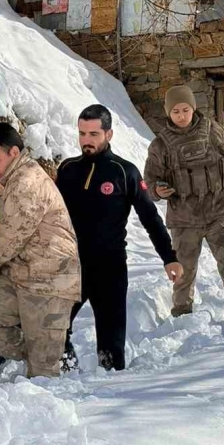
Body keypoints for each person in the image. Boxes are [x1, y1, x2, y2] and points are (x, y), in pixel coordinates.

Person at [56, 104, 183, 371]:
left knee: (111, 346)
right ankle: (67, 377)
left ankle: (112, 385)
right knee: (54, 328)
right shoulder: (67, 169)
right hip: (71, 266)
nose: (86, 140)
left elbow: (150, 218)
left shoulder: (124, 172)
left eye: (94, 134)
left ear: (109, 134)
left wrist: (169, 257)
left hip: (109, 268)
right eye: (82, 133)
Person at [0, 122, 80, 378]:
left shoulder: (26, 183)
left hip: (49, 281)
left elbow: (8, 242)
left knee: (43, 375)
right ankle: (41, 353)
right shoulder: (15, 180)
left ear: (14, 153)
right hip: (20, 275)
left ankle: (47, 359)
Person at [144, 86, 224, 323]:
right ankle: (181, 312)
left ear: (193, 108)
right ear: (168, 113)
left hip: (218, 210)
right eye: (176, 111)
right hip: (183, 217)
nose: (181, 115)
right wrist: (157, 190)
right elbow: (149, 181)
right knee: (183, 269)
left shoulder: (212, 131)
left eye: (185, 110)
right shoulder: (160, 145)